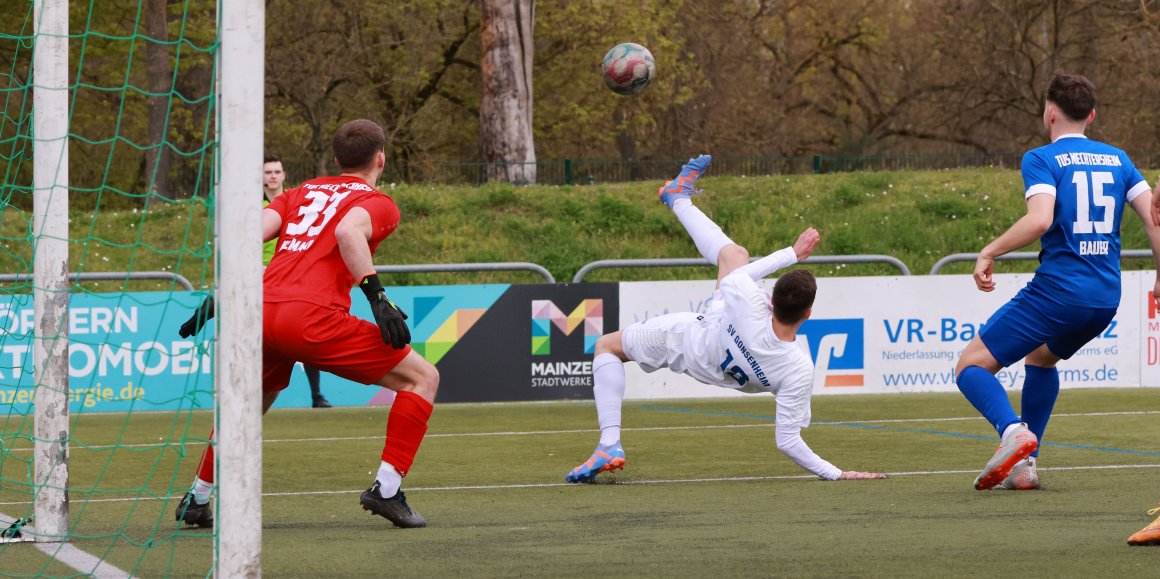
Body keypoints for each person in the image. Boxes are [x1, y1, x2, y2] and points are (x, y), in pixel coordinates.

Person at [176, 119, 438, 528]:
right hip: (310, 318)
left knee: (248, 405)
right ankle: (386, 490)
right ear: (381, 159)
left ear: (336, 160)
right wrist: (378, 299)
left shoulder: (301, 192)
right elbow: (349, 231)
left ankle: (198, 495)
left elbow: (241, 235)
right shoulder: (379, 202)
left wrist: (223, 293)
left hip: (259, 310)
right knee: (422, 378)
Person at [565, 154, 886, 483]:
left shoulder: (751, 301)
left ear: (772, 300)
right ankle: (677, 195)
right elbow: (788, 441)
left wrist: (793, 253)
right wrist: (837, 473)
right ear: (808, 315)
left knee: (606, 347)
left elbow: (744, 277)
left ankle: (609, 443)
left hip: (689, 339)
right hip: (718, 363)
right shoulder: (800, 367)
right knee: (733, 256)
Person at [954, 71, 1160, 491]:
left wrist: (989, 251)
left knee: (970, 366)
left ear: (1050, 112)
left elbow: (1041, 219)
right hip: (1105, 297)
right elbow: (1154, 218)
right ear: (1092, 116)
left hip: (1059, 291)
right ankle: (1026, 467)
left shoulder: (1041, 158)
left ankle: (1013, 433)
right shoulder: (1119, 159)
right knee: (1041, 358)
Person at [263, 154, 332, 408]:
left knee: (308, 336)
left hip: (293, 282)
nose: (272, 176)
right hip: (263, 282)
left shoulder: (299, 203)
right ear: (261, 177)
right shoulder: (255, 209)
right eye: (267, 172)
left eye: (276, 171)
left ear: (284, 175)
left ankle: (316, 394)